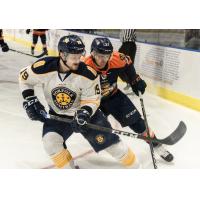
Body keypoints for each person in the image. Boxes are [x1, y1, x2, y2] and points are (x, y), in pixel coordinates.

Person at [19, 35, 140, 169]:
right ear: (62, 55)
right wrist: (30, 99)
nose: (78, 60)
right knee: (50, 142)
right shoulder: (43, 67)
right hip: (58, 115)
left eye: (79, 56)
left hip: (88, 117)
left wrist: (84, 112)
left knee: (114, 147)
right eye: (73, 57)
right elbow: (24, 78)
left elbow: (93, 98)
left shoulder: (88, 73)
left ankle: (136, 168)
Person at [84, 37, 174, 163]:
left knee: (137, 122)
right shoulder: (84, 66)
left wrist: (135, 80)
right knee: (92, 126)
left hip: (114, 96)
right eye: (99, 55)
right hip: (94, 102)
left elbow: (128, 64)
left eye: (106, 56)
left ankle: (157, 146)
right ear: (92, 53)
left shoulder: (117, 58)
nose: (102, 60)